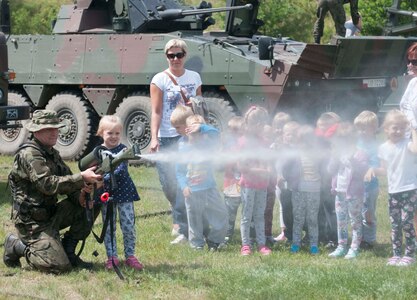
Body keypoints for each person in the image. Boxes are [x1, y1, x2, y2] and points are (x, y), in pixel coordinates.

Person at [3, 110, 102, 273]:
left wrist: (82, 197)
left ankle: (68, 251)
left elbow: (68, 178)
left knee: (92, 204)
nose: (55, 132)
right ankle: (17, 245)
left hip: (51, 214)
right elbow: (47, 185)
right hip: (32, 223)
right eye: (49, 128)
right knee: (58, 266)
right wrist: (81, 178)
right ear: (36, 130)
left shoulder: (51, 153)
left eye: (56, 128)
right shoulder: (30, 154)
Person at [150, 38, 202, 243]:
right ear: (166, 57)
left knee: (185, 178)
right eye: (171, 55)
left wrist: (201, 129)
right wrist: (154, 138)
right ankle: (179, 213)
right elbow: (156, 111)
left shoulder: (194, 77)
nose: (175, 59)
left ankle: (181, 222)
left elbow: (200, 105)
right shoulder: (159, 79)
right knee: (168, 181)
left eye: (179, 55)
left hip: (189, 136)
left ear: (185, 55)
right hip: (167, 135)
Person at [93, 115, 143, 270]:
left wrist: (104, 175)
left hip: (124, 193)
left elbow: (120, 170)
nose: (114, 137)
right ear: (101, 133)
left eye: (117, 133)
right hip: (106, 194)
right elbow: (93, 169)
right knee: (109, 226)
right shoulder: (97, 151)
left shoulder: (123, 150)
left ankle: (130, 256)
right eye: (110, 133)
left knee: (128, 225)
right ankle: (112, 257)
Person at [174, 112, 228, 250]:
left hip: (209, 188)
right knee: (194, 219)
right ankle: (196, 244)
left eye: (199, 132)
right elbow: (179, 171)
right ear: (187, 130)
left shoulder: (207, 145)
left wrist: (201, 127)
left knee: (221, 213)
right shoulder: (183, 149)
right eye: (193, 130)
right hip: (192, 191)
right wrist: (184, 186)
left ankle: (215, 240)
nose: (197, 134)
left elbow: (216, 133)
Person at [373, 110, 417, 266]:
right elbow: (384, 170)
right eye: (394, 127)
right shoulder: (383, 148)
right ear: (386, 129)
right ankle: (397, 253)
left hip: (409, 189)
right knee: (395, 224)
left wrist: (413, 128)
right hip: (393, 192)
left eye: (401, 128)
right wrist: (372, 170)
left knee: (407, 222)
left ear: (405, 129)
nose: (397, 131)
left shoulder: (408, 144)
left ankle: (410, 253)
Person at [328, 122, 367, 259]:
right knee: (341, 222)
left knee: (355, 222)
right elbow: (330, 170)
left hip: (354, 194)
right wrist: (334, 158)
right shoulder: (338, 153)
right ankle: (341, 246)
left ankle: (354, 247)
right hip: (339, 192)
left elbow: (362, 171)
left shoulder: (359, 154)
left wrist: (353, 161)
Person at [283, 125, 325, 255]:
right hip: (298, 190)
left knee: (312, 219)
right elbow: (286, 169)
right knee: (298, 218)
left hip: (314, 190)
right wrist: (290, 180)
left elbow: (324, 169)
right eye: (302, 140)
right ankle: (296, 244)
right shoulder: (294, 154)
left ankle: (313, 245)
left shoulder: (318, 154)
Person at [238, 106, 272, 256]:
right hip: (249, 185)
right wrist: (262, 171)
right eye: (257, 124)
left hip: (262, 185)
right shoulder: (243, 142)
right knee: (246, 216)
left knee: (259, 215)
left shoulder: (264, 142)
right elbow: (242, 167)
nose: (260, 127)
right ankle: (245, 245)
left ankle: (261, 244)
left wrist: (268, 168)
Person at [353, 111, 380, 249]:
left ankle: (369, 240)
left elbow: (376, 165)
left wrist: (371, 170)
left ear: (374, 129)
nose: (361, 132)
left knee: (368, 213)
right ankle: (359, 237)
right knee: (358, 212)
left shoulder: (374, 147)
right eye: (359, 129)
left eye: (364, 128)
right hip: (357, 186)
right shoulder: (357, 143)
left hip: (370, 187)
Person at [315, 112, 341, 247]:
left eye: (326, 127)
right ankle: (321, 236)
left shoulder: (336, 140)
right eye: (320, 127)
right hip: (318, 180)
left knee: (331, 210)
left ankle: (334, 238)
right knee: (319, 210)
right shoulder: (316, 140)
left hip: (331, 182)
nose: (322, 130)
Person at [275, 120, 300, 243]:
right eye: (288, 134)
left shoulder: (300, 149)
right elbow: (278, 164)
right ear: (283, 135)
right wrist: (278, 175)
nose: (291, 137)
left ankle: (297, 234)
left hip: (295, 186)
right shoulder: (279, 148)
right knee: (286, 209)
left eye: (294, 134)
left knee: (296, 210)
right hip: (282, 186)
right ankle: (289, 235)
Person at [270, 112, 292, 243]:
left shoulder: (290, 145)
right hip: (277, 181)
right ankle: (284, 231)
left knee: (290, 206)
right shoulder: (274, 145)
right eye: (277, 126)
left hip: (289, 181)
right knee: (282, 206)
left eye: (282, 126)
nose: (279, 129)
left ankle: (292, 231)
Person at [222, 116, 244, 243]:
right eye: (231, 130)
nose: (234, 134)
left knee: (246, 212)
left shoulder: (247, 145)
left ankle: (247, 235)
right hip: (231, 185)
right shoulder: (228, 147)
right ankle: (227, 235)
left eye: (236, 130)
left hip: (245, 185)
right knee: (229, 212)